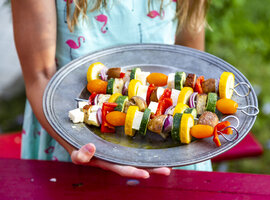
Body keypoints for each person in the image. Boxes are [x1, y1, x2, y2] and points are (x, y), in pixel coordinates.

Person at [11, 0, 211, 179]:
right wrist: (75, 145)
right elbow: (41, 75)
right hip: (65, 132)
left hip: (170, 143)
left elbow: (190, 59)